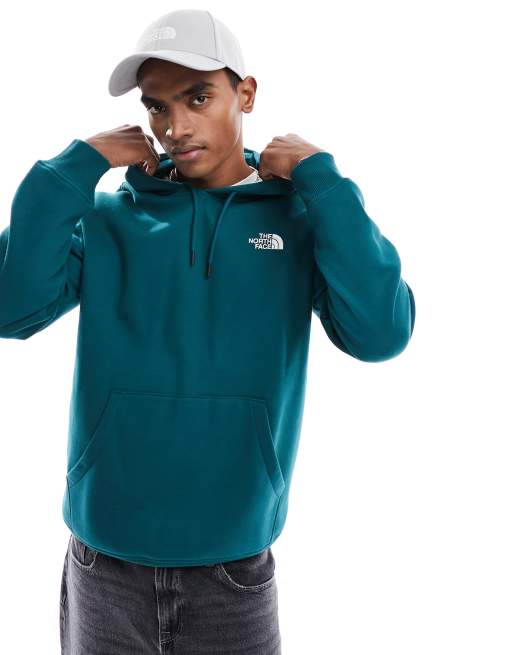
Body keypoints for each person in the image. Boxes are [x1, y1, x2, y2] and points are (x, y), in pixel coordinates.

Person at [0, 9, 416, 655]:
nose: (175, 126)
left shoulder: (299, 219)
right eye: (157, 106)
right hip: (103, 564)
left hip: (232, 569)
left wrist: (326, 185)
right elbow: (11, 308)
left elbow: (379, 335)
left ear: (244, 94)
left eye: (197, 98)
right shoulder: (106, 220)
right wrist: (74, 168)